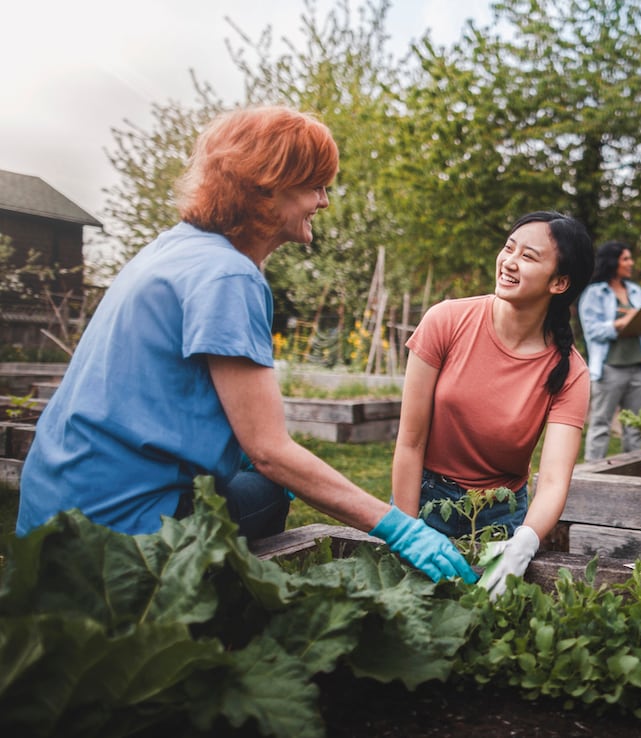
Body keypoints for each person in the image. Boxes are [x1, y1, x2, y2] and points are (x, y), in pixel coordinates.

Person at [17, 106, 475, 584]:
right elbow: (270, 451)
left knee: (252, 481)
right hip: (119, 531)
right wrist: (399, 528)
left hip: (54, 509)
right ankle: (201, 605)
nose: (323, 202)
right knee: (270, 489)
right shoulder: (228, 276)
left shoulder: (172, 248)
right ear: (269, 186)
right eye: (315, 186)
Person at [392, 210, 593, 598]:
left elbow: (554, 479)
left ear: (559, 282)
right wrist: (406, 529)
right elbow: (410, 442)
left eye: (528, 256)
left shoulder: (570, 372)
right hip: (424, 499)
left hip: (501, 517)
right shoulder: (446, 320)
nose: (509, 262)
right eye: (509, 248)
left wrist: (525, 541)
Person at [578, 241, 641, 460]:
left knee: (635, 427)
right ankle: (592, 472)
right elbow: (592, 331)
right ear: (612, 262)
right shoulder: (594, 293)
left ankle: (632, 472)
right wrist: (622, 323)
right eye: (626, 259)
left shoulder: (635, 291)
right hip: (609, 370)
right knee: (601, 424)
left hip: (638, 369)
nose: (631, 263)